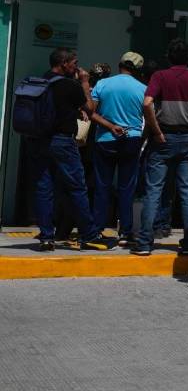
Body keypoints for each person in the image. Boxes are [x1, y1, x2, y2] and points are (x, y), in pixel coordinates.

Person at [139, 38, 188, 255]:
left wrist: (156, 131)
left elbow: (147, 103)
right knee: (187, 191)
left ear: (168, 57)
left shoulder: (159, 76)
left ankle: (144, 242)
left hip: (163, 138)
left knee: (154, 190)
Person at [25, 48, 99, 250]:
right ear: (64, 63)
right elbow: (90, 108)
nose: (77, 67)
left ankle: (47, 237)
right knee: (77, 187)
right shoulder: (70, 85)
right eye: (74, 63)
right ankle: (89, 234)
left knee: (43, 188)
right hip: (62, 142)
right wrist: (85, 83)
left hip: (38, 141)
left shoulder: (40, 82)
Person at [89, 52, 146, 249]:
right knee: (127, 188)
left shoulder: (102, 84)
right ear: (137, 70)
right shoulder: (143, 89)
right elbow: (148, 116)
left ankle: (97, 228)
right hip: (132, 139)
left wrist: (110, 126)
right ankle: (125, 232)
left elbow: (91, 112)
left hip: (105, 139)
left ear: (120, 64)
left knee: (102, 186)